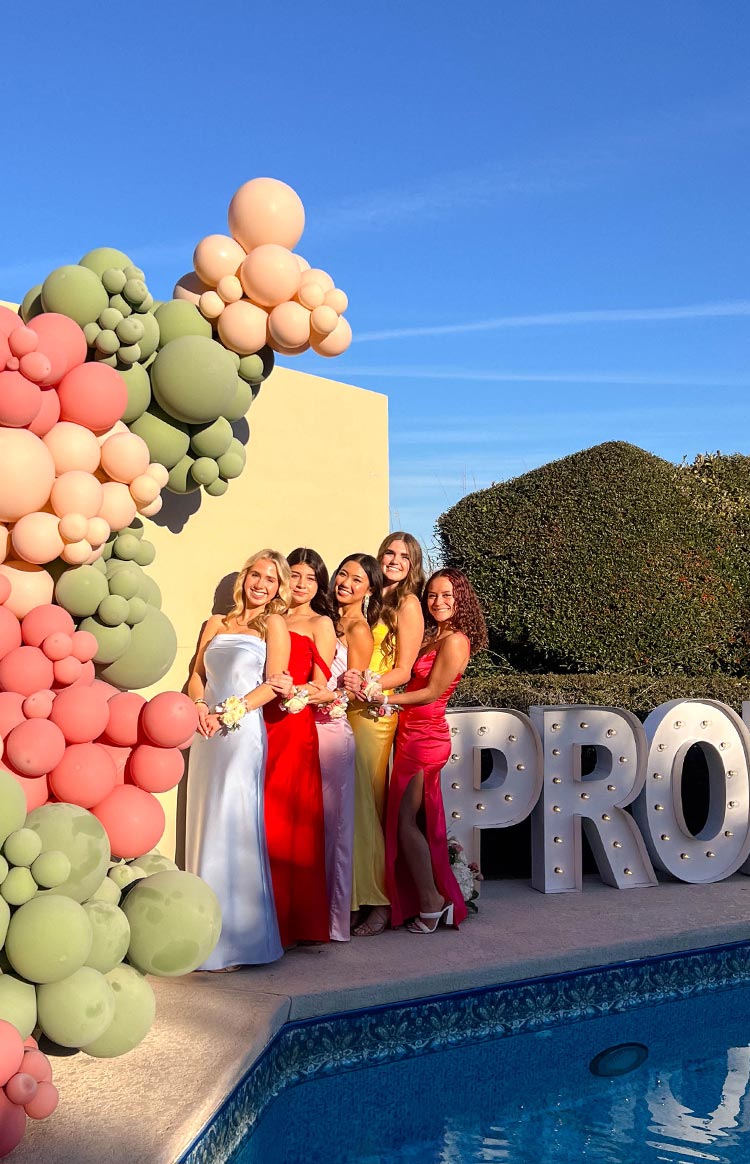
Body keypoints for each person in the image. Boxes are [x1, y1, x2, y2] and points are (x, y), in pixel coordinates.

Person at [185, 550, 292, 970]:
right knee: (206, 819)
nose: (261, 584)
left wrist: (230, 712)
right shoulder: (215, 624)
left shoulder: (274, 625)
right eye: (256, 575)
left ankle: (236, 942)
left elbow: (273, 685)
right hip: (206, 734)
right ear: (244, 578)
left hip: (240, 732)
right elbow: (198, 674)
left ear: (278, 588)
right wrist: (198, 706)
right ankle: (202, 934)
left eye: (271, 579)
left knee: (233, 822)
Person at [374, 568, 488, 934]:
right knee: (414, 821)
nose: (437, 602)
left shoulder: (455, 641)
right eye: (432, 595)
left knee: (406, 822)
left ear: (461, 600)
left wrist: (386, 699)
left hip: (426, 738)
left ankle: (430, 901)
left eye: (446, 596)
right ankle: (424, 896)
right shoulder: (433, 637)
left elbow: (431, 692)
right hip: (410, 734)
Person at [345, 533, 425, 937]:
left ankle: (379, 901)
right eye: (389, 553)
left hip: (375, 713)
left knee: (368, 808)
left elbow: (405, 671)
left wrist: (368, 685)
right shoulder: (372, 600)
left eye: (403, 556)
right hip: (349, 707)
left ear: (413, 565)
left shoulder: (408, 604)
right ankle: (355, 897)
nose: (394, 560)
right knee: (352, 809)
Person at [263, 551, 332, 948]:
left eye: (310, 578)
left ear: (319, 585)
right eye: (296, 576)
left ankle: (295, 924)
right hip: (261, 723)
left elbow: (322, 685)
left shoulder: (320, 623)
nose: (302, 584)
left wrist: (295, 692)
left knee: (290, 819)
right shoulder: (267, 619)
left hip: (294, 725)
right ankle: (265, 919)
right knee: (262, 818)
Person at [316, 554, 377, 940]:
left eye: (357, 579)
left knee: (342, 825)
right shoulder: (326, 619)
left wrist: (319, 698)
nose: (347, 582)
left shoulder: (357, 629)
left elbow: (352, 692)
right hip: (312, 728)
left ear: (369, 590)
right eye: (343, 574)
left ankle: (343, 911)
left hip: (335, 728)